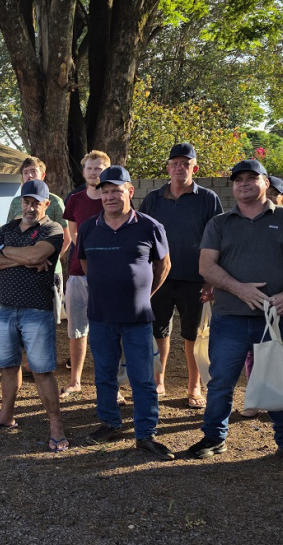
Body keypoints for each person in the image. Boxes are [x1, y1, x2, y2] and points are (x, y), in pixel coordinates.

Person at [186, 159, 283, 462]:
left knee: (281, 378)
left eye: (251, 178)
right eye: (238, 179)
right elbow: (206, 266)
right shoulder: (219, 223)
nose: (243, 183)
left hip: (277, 319)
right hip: (230, 317)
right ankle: (215, 437)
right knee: (221, 381)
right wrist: (239, 288)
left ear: (267, 183)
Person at [79, 166, 175, 460]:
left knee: (142, 378)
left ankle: (145, 434)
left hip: (137, 318)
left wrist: (144, 295)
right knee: (105, 374)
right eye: (104, 191)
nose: (109, 196)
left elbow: (164, 266)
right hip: (101, 316)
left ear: (130, 192)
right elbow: (85, 264)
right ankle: (109, 422)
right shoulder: (88, 227)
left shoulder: (150, 226)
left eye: (116, 190)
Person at [0, 180, 68, 452]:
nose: (30, 208)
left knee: (42, 370)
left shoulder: (52, 229)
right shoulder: (6, 228)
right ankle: (6, 415)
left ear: (46, 204)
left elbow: (37, 255)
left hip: (36, 310)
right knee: (8, 366)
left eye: (36, 203)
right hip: (5, 308)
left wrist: (6, 251)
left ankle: (56, 426)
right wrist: (23, 258)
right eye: (26, 202)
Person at [138, 143, 223, 407]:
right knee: (158, 331)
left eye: (185, 164)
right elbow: (141, 235)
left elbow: (219, 239)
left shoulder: (208, 198)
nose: (179, 168)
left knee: (193, 335)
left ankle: (194, 386)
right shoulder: (153, 197)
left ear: (194, 168)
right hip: (158, 278)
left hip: (196, 279)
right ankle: (158, 381)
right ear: (168, 167)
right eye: (174, 163)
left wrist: (212, 278)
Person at [60, 150, 110, 399]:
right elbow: (73, 235)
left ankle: (110, 382)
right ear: (84, 172)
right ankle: (75, 380)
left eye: (99, 168)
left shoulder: (113, 198)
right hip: (78, 273)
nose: (94, 172)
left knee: (109, 329)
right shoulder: (75, 200)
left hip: (108, 273)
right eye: (90, 168)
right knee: (77, 329)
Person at [6, 157, 70, 329]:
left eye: (33, 171)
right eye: (25, 172)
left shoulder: (55, 202)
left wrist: (49, 261)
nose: (29, 175)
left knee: (45, 322)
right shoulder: (15, 202)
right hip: (18, 270)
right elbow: (8, 234)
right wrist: (22, 261)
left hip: (47, 270)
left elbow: (66, 237)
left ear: (43, 174)